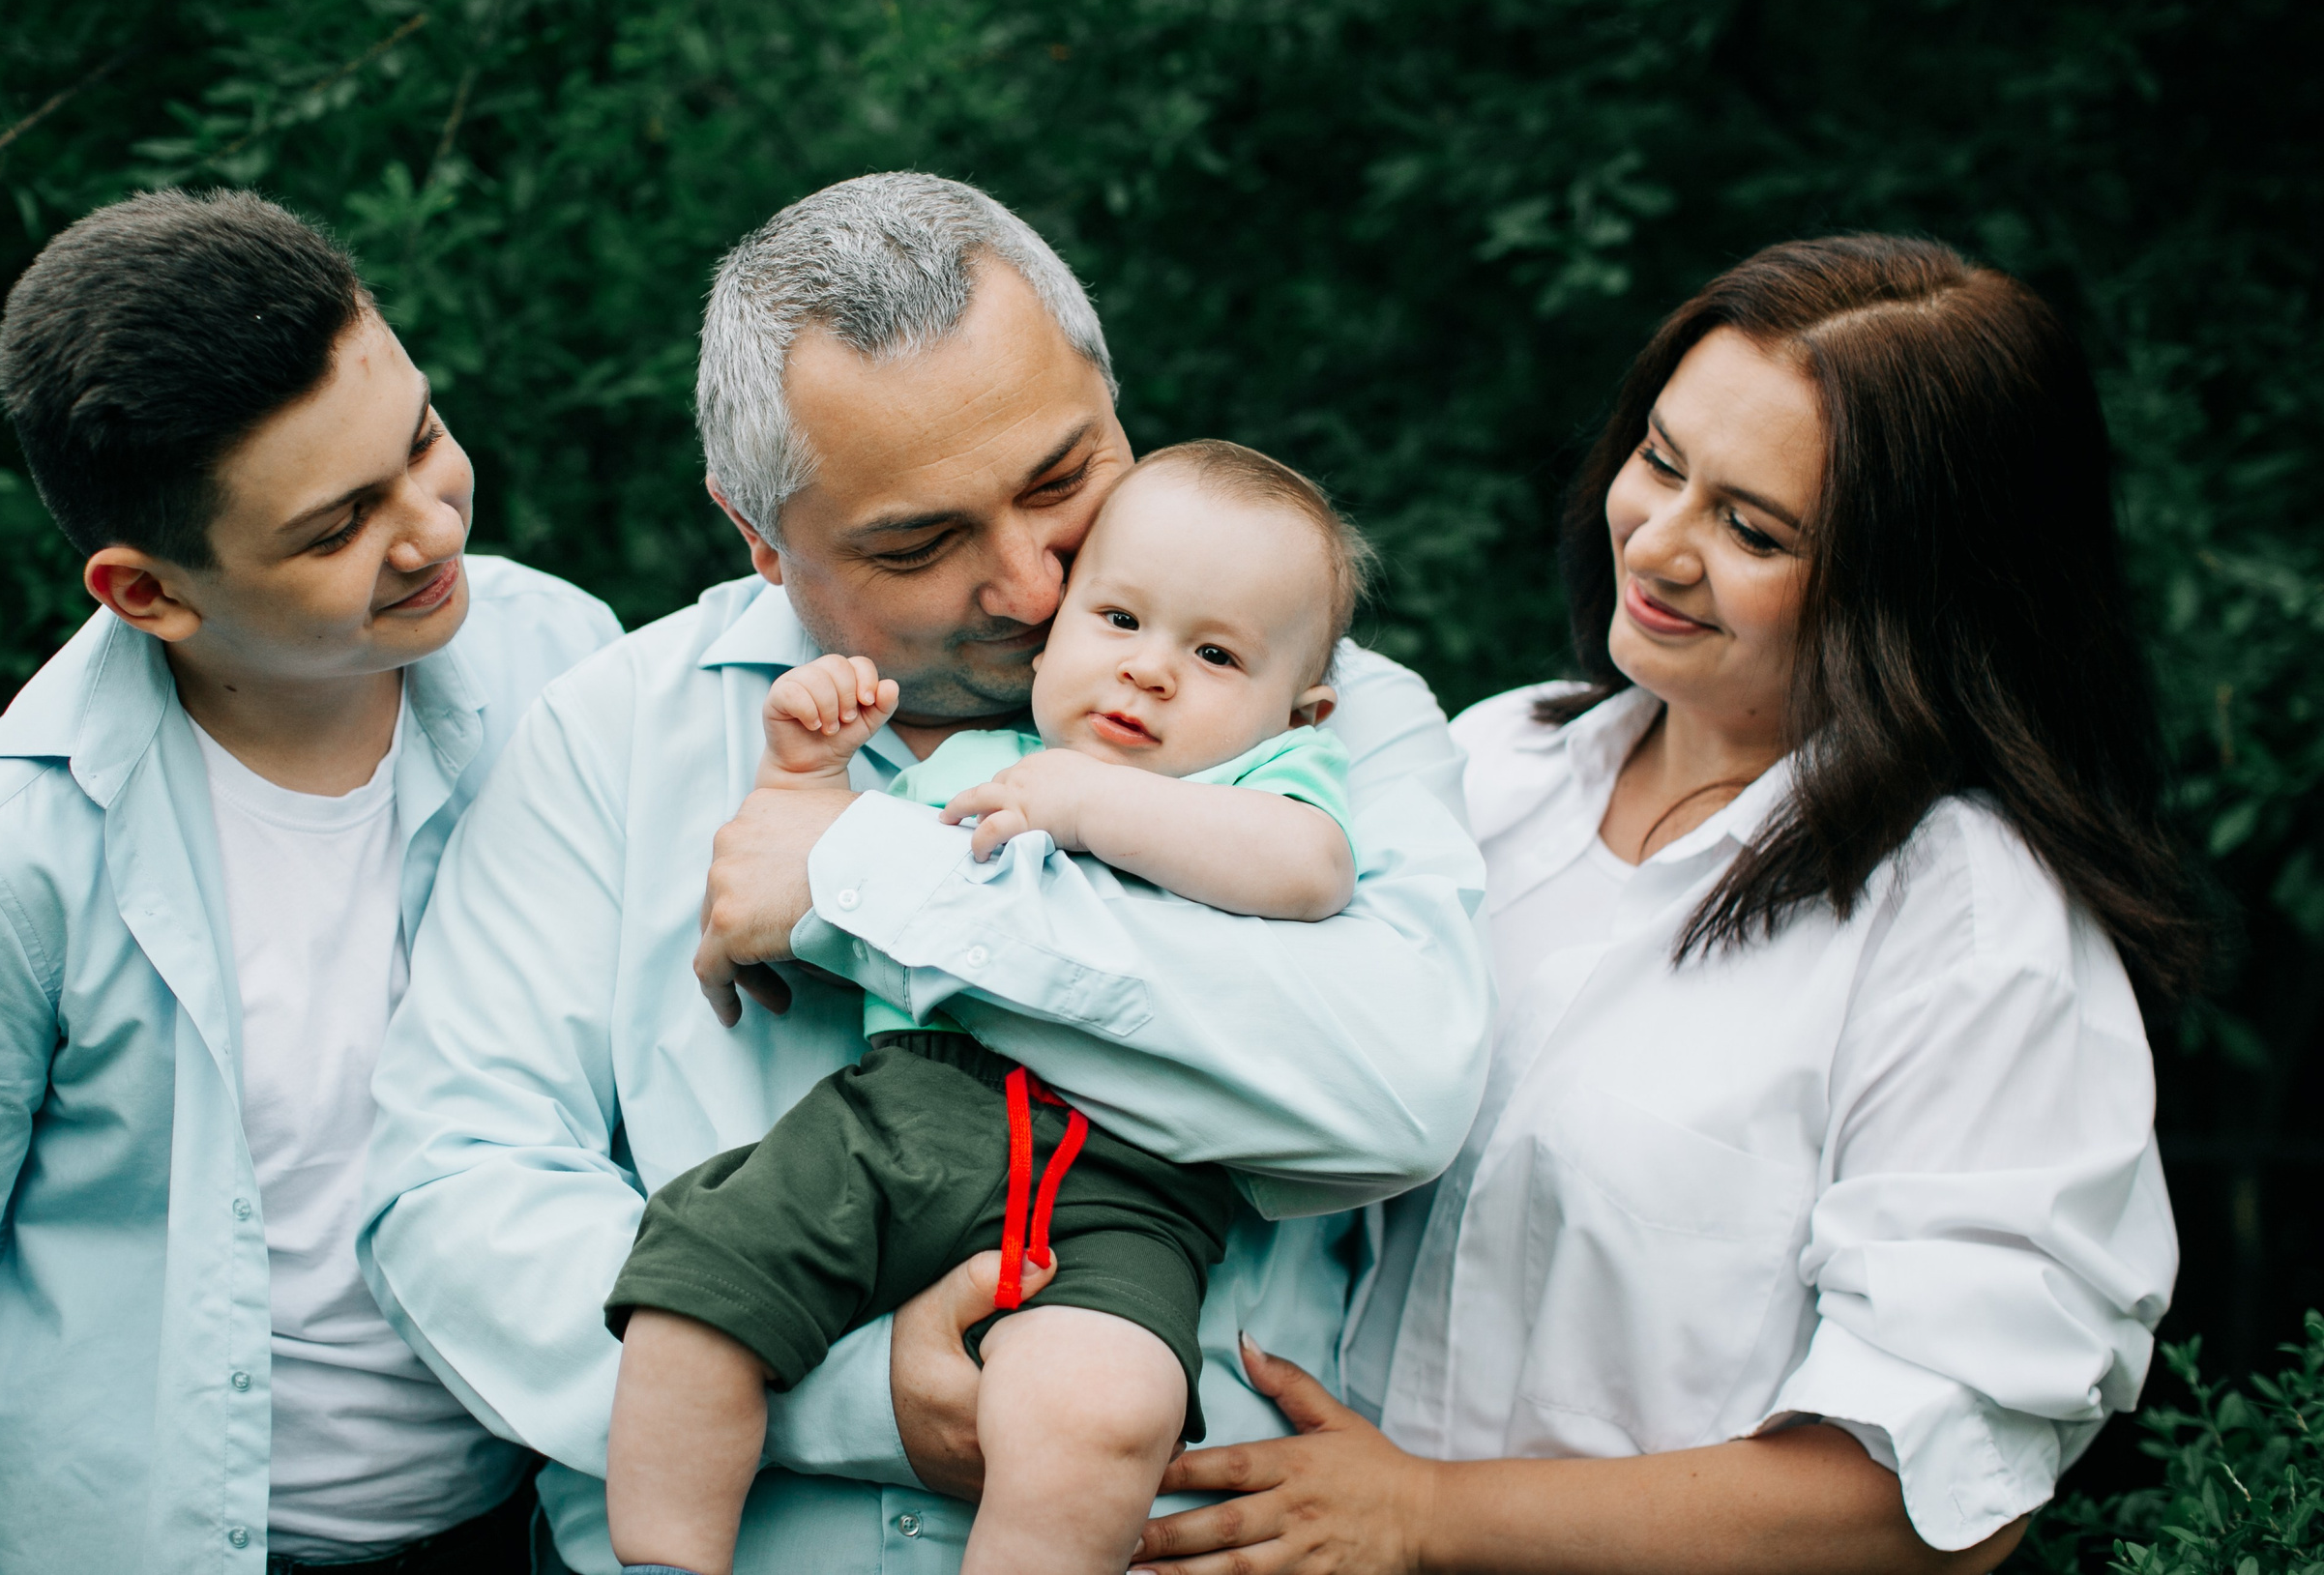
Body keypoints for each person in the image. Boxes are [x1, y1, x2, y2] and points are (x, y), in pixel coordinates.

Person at [359, 172, 1492, 1575]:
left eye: (1064, 479)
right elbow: (456, 1190)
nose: (1028, 584)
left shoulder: (1326, 704)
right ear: (758, 535)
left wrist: (862, 886)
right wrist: (847, 1397)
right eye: (920, 540)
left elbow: (1395, 1095)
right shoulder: (618, 732)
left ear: (1113, 394)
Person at [1130, 235, 2197, 1575]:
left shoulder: (1974, 934)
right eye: (1662, 459)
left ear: (1916, 586)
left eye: (1753, 528)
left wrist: (1427, 1515)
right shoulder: (1488, 765)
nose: (1661, 539)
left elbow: (1937, 1495)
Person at [0, 190, 621, 1573]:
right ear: (147, 592)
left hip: (548, 1520)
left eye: (424, 440)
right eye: (336, 529)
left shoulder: (560, 659)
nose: (429, 531)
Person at [605, 442, 1369, 1575]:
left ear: (1299, 712)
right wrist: (807, 779)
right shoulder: (969, 761)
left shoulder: (1265, 786)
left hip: (1126, 1181)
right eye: (1118, 620)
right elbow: (823, 884)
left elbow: (1307, 872)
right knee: (696, 1297)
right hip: (895, 1119)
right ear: (1054, 630)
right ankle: (666, 1558)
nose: (1150, 672)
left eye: (1214, 654)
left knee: (1104, 1413)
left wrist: (1093, 803)